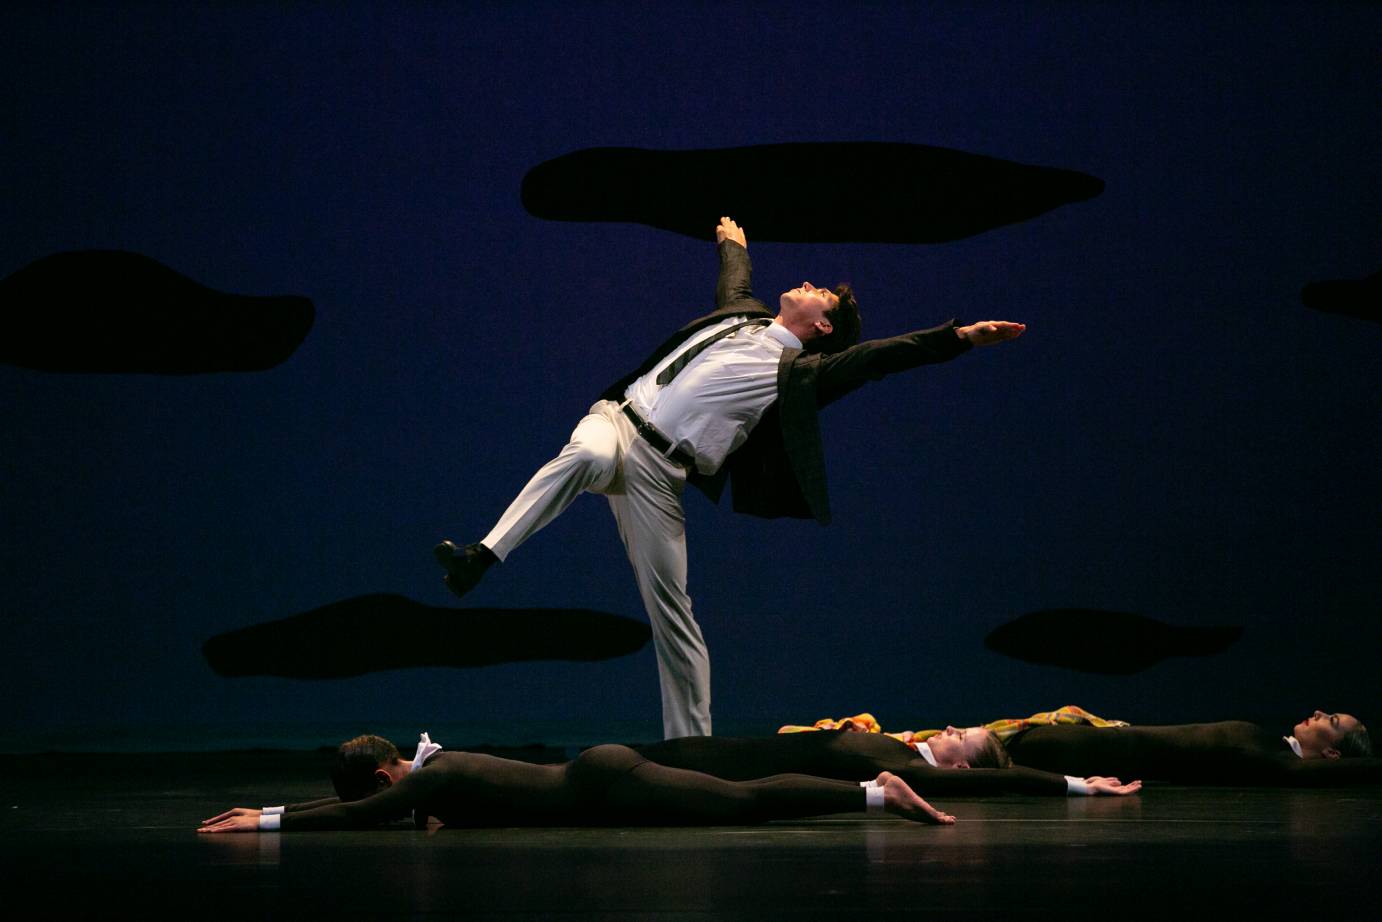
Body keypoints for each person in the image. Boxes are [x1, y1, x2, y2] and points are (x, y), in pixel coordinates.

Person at [434, 217, 1025, 738]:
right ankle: (480, 558)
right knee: (584, 457)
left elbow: (877, 359)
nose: (810, 285)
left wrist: (959, 338)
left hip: (662, 476)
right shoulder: (743, 317)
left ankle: (691, 751)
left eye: (822, 295)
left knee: (675, 614)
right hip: (618, 421)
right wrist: (732, 244)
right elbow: (736, 284)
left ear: (822, 328)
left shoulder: (802, 374)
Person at [197, 734, 957, 833]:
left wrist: (264, 821)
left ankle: (877, 793)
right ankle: (871, 793)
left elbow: (357, 819)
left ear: (388, 773)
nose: (390, 803)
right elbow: (379, 810)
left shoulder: (435, 776)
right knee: (743, 798)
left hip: (606, 783)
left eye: (381, 791)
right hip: (601, 781)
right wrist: (264, 807)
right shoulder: (439, 777)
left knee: (746, 803)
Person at [630, 727, 1141, 797]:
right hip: (734, 748)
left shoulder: (915, 771)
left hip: (730, 769)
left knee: (634, 770)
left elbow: (1009, 781)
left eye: (959, 737)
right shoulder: (902, 747)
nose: (949, 730)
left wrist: (1078, 784)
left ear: (961, 768)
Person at [943, 711, 1376, 785]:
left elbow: (1354, 771)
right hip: (1088, 742)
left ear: (1333, 754)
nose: (1320, 713)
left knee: (979, 749)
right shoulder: (1270, 745)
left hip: (1084, 750)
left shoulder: (1277, 761)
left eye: (1332, 722)